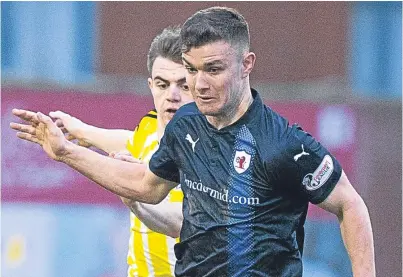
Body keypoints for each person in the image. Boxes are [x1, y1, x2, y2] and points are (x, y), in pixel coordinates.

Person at [11, 6, 375, 277]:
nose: (199, 84)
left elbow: (350, 206)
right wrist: (65, 152)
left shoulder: (285, 145)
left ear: (246, 64)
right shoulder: (184, 126)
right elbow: (146, 185)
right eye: (191, 69)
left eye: (213, 69)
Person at [13, 26, 193, 277]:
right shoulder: (151, 126)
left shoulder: (208, 148)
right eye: (163, 84)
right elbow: (134, 141)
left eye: (183, 86)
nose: (172, 95)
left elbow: (182, 224)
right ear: (151, 85)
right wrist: (83, 131)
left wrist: (136, 202)